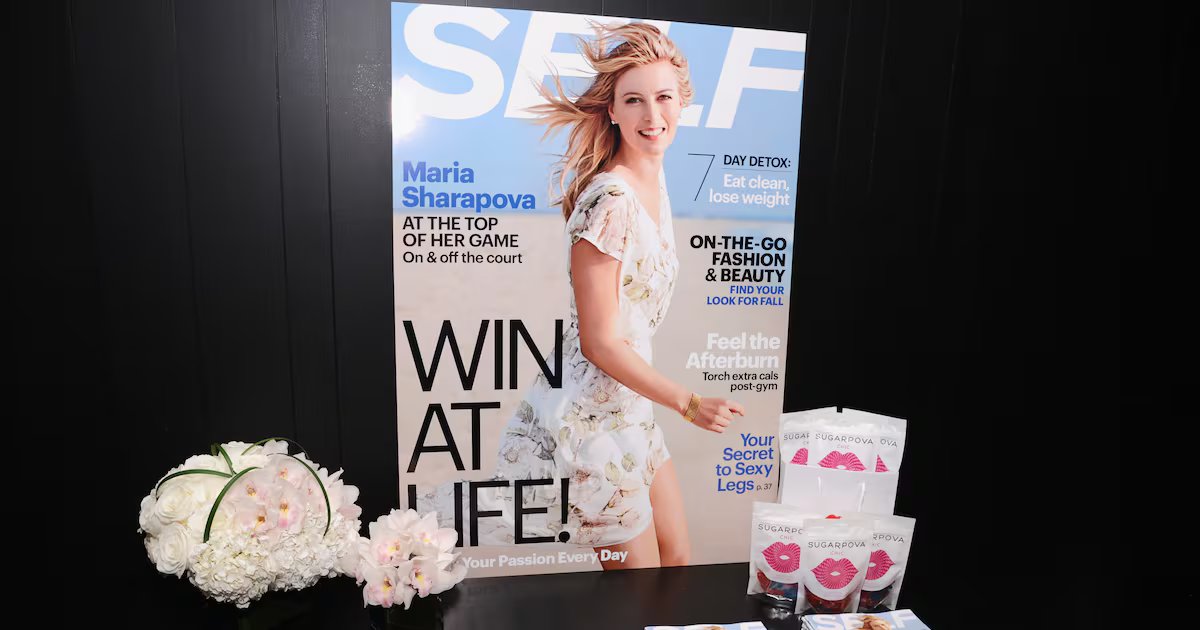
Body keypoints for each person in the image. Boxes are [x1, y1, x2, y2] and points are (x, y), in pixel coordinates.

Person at [486, 21, 746, 570]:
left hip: (631, 409)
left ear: (682, 102)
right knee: (639, 591)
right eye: (634, 100)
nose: (653, 115)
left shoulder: (655, 181)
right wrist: (689, 403)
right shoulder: (611, 200)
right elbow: (600, 342)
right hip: (589, 422)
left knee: (676, 561)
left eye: (663, 98)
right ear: (612, 111)